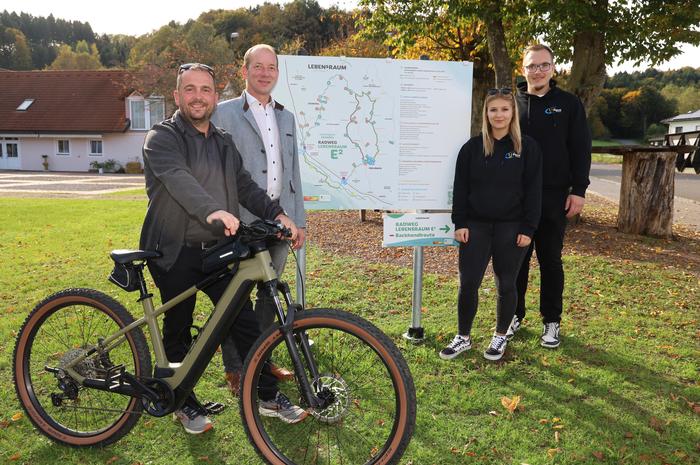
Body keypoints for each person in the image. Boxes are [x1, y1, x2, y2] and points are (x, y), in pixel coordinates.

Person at [140, 63, 308, 435]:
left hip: (218, 250)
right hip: (173, 251)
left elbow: (246, 186)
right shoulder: (162, 137)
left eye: (205, 90)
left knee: (245, 324)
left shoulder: (222, 140)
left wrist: (279, 214)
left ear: (216, 97)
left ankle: (265, 395)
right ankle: (181, 400)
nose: (198, 96)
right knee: (179, 328)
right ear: (177, 95)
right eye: (190, 89)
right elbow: (179, 181)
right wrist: (212, 209)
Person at [211, 44, 305, 395]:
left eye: (272, 67)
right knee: (237, 298)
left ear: (277, 73)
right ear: (245, 71)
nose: (265, 73)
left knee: (270, 295)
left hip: (278, 221)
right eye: (258, 67)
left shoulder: (287, 117)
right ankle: (236, 368)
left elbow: (293, 171)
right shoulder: (222, 114)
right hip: (240, 223)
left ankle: (261, 360)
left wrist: (299, 220)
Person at [441, 87, 542, 361]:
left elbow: (534, 191)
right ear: (486, 113)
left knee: (506, 283)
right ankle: (463, 337)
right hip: (476, 226)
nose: (499, 115)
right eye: (493, 109)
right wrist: (460, 222)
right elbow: (460, 188)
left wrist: (528, 228)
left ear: (513, 114)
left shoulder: (527, 148)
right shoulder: (472, 148)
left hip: (512, 227)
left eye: (505, 109)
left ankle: (500, 336)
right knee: (468, 282)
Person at [510, 44, 592, 348]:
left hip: (554, 197)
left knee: (550, 260)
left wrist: (579, 190)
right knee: (517, 260)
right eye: (532, 66)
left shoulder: (569, 104)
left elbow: (581, 149)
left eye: (544, 65)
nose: (538, 71)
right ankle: (513, 315)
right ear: (523, 69)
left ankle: (551, 322)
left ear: (553, 68)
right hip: (517, 198)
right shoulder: (511, 103)